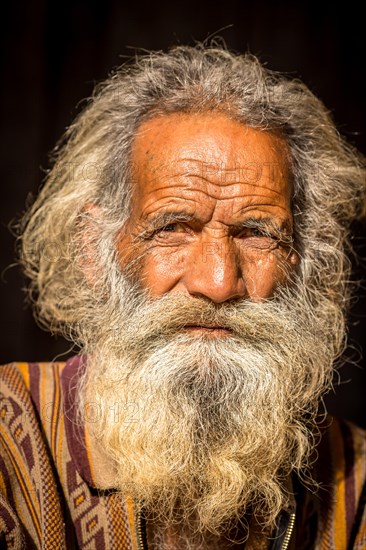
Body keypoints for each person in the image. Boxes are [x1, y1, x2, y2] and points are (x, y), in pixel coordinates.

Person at [1, 43, 366, 550]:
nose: (217, 282)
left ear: (306, 258)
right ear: (94, 248)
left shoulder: (357, 481)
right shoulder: (8, 441)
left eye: (256, 233)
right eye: (173, 228)